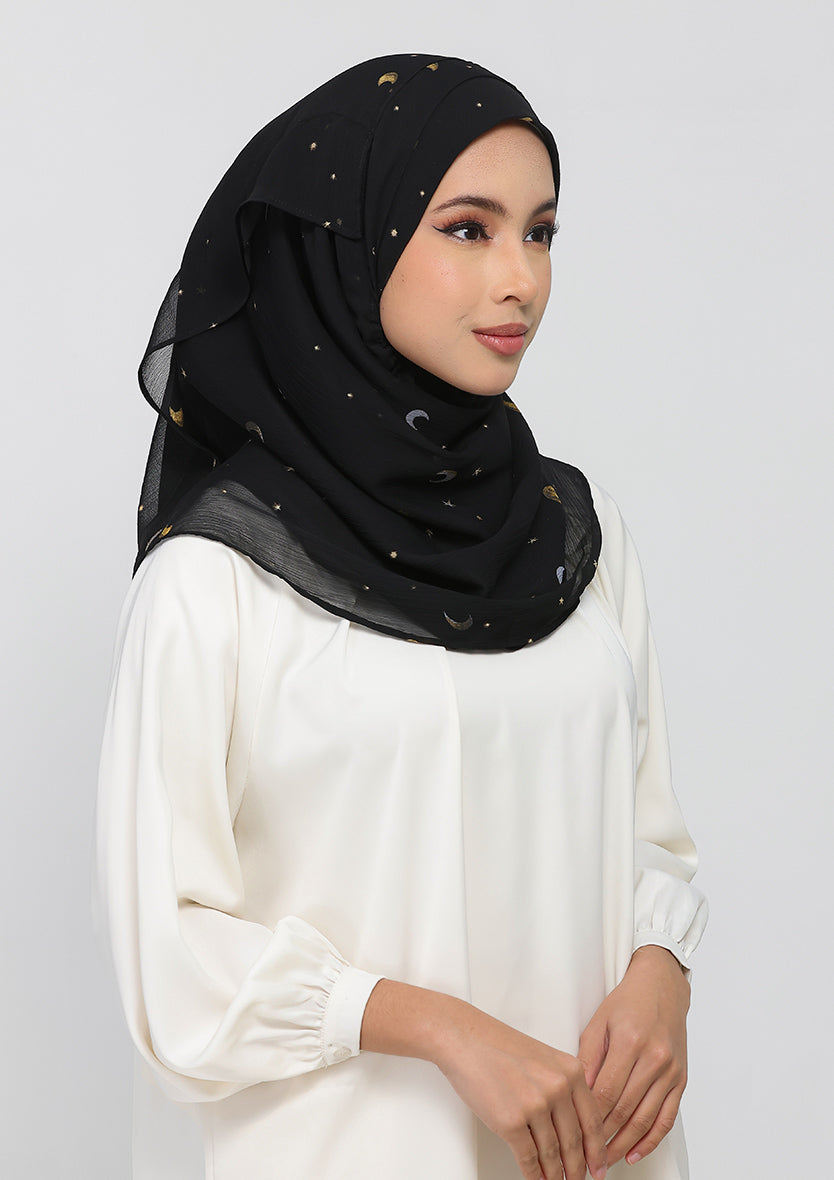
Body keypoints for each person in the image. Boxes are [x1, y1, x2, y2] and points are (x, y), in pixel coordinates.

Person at [97, 53, 708, 1180]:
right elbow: (167, 958)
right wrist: (440, 1028)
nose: (522, 279)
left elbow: (648, 833)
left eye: (542, 233)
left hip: (593, 1151)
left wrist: (660, 968)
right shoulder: (214, 580)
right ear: (352, 242)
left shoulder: (579, 537)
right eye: (468, 229)